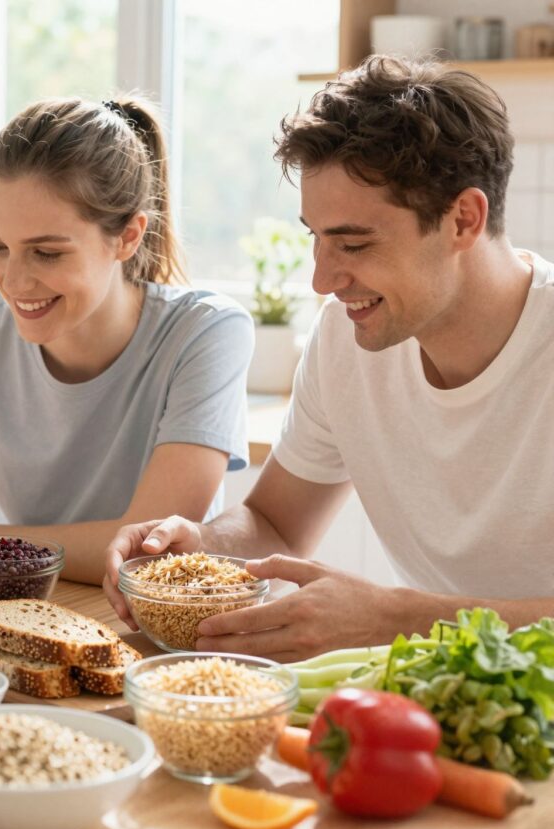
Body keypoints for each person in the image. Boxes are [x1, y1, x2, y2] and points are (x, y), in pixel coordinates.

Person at [104, 55, 553, 661]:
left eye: (355, 243)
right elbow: (278, 524)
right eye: (316, 238)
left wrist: (397, 618)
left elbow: (401, 621)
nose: (321, 280)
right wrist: (202, 543)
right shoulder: (351, 336)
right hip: (446, 698)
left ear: (463, 220)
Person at [0, 96, 254, 583]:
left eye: (47, 253)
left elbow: (147, 552)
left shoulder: (206, 332)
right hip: (31, 610)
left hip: (156, 635)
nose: (13, 281)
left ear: (128, 236)